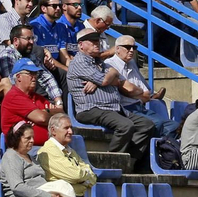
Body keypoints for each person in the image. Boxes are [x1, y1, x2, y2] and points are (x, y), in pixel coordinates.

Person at [65, 29, 155, 172]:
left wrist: (105, 78)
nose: (97, 44)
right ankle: (112, 160)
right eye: (93, 41)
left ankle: (129, 159)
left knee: (147, 125)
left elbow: (116, 79)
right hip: (91, 108)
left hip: (113, 108)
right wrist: (110, 75)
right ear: (81, 45)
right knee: (126, 125)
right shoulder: (79, 62)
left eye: (98, 41)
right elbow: (107, 79)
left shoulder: (100, 63)